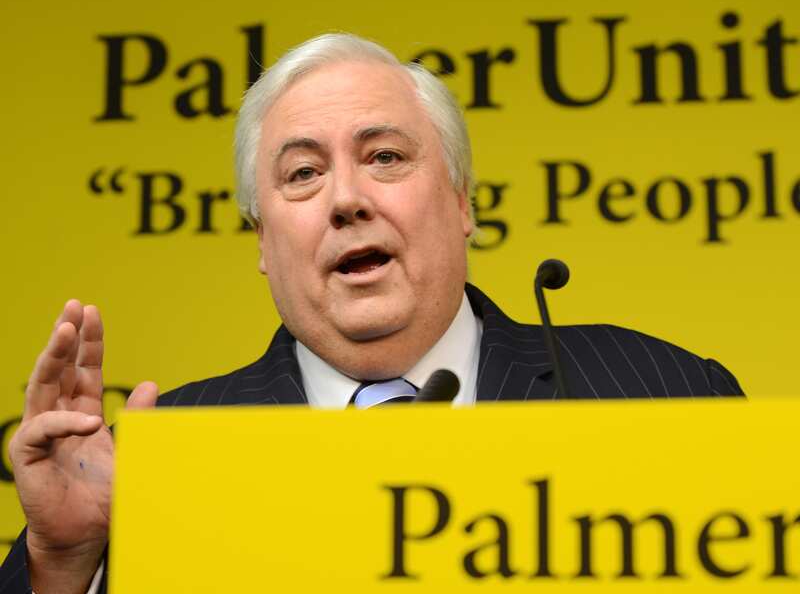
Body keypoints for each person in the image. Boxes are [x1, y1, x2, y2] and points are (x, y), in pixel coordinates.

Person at [0, 33, 743, 594]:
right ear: (262, 242)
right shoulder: (160, 463)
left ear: (461, 202)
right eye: (303, 173)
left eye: (384, 157)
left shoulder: (667, 394)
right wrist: (64, 562)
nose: (347, 199)